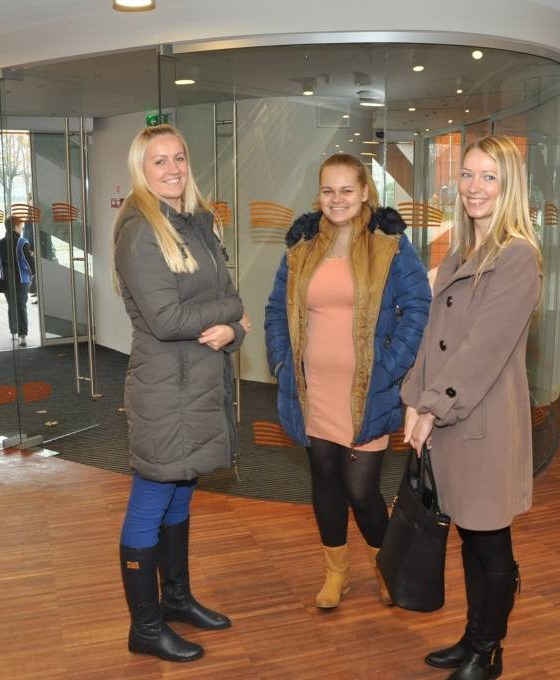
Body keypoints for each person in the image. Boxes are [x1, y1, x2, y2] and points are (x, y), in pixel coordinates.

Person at [402, 135, 543, 680]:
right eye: (467, 174)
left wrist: (432, 409)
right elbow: (433, 339)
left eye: (489, 177)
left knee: (489, 539)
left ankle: (489, 651)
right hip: (448, 417)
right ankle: (471, 637)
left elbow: (483, 349)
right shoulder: (460, 252)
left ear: (510, 187)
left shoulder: (518, 257)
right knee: (468, 532)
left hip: (482, 421)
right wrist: (414, 399)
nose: (474, 187)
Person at [264, 153, 430, 610]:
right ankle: (336, 573)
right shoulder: (302, 244)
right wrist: (281, 362)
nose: (336, 199)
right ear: (318, 195)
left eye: (346, 190)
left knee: (361, 489)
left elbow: (419, 307)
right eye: (328, 190)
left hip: (366, 391)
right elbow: (276, 308)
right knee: (324, 480)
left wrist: (390, 367)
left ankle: (387, 566)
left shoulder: (390, 243)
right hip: (312, 388)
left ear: (364, 192)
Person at [113, 124, 249, 663]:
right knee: (152, 498)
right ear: (141, 171)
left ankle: (175, 599)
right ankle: (145, 627)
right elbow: (167, 319)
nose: (172, 169)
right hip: (165, 390)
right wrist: (232, 317)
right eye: (159, 161)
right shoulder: (140, 231)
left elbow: (230, 298)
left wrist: (232, 329)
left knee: (182, 489)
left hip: (199, 382)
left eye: (178, 158)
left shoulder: (197, 221)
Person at [0, 215, 35, 347]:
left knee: (12, 306)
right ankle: (23, 335)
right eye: (21, 225)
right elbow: (30, 262)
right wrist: (33, 274)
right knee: (21, 306)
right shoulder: (22, 243)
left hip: (6, 280)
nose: (22, 228)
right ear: (16, 226)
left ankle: (14, 331)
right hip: (23, 280)